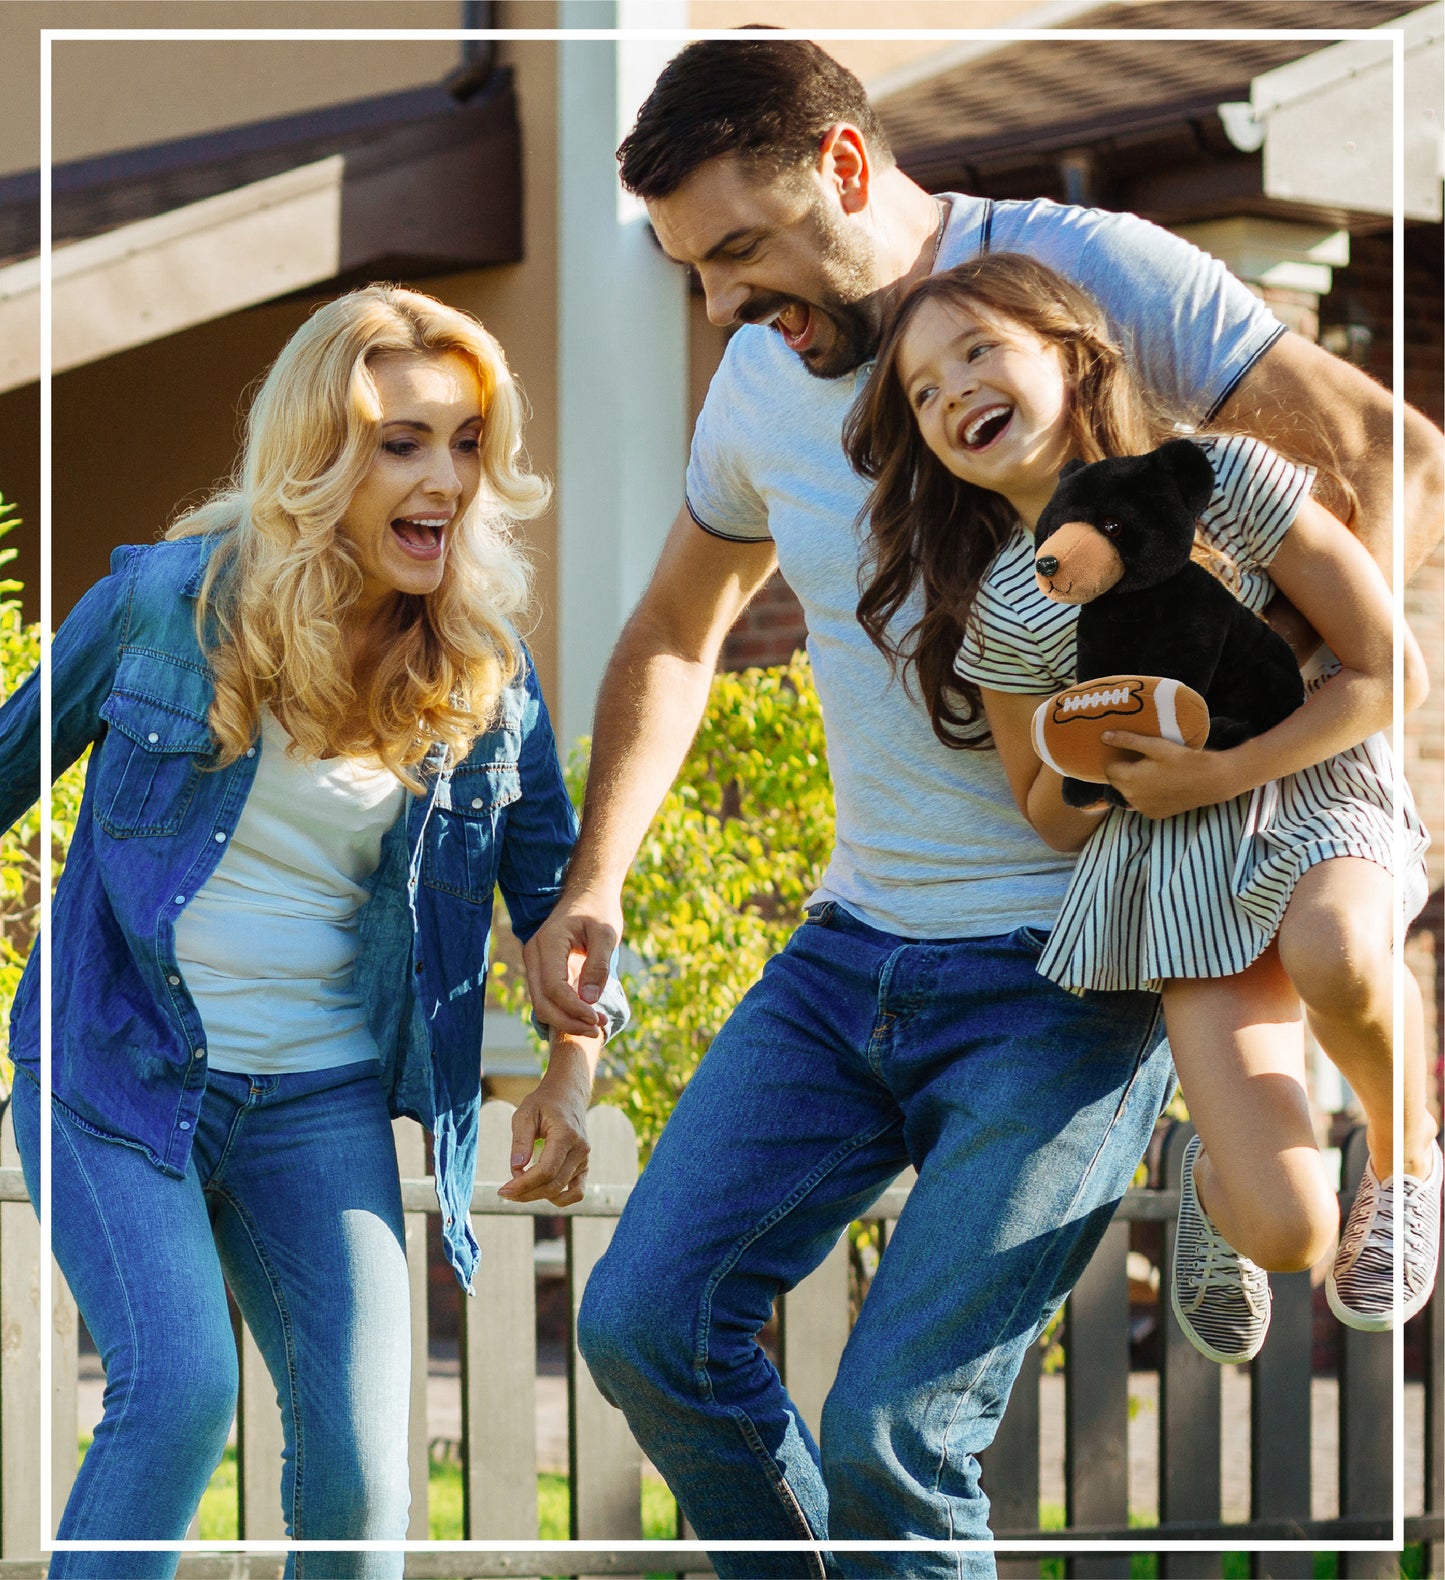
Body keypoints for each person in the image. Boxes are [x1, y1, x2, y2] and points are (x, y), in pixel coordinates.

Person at [519, 37, 1444, 1578]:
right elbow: (679, 633)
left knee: (896, 1431)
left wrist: (1250, 757)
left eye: (741, 249)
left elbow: (1379, 453)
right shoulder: (761, 379)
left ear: (846, 166)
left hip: (1068, 975)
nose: (726, 306)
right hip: (850, 953)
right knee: (642, 1326)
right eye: (692, 270)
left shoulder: (1089, 275)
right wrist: (594, 877)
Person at [0, 284, 626, 1580]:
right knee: (176, 1399)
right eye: (403, 442)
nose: (444, 478)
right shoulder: (162, 608)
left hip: (317, 1103)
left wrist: (570, 1075)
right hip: (115, 1067)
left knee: (362, 1472)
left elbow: (559, 901)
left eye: (464, 442)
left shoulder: (479, 670)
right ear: (320, 456)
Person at [845, 252, 1438, 1368]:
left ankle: (1407, 1156)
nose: (950, 389)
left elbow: (1385, 673)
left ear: (1070, 357)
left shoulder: (1221, 478)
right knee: (1289, 1226)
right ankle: (1219, 1186)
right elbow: (1044, 808)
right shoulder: (1008, 615)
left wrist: (1224, 765)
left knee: (1335, 943)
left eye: (977, 350)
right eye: (921, 390)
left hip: (1312, 793)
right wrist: (1109, 770)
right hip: (1175, 867)